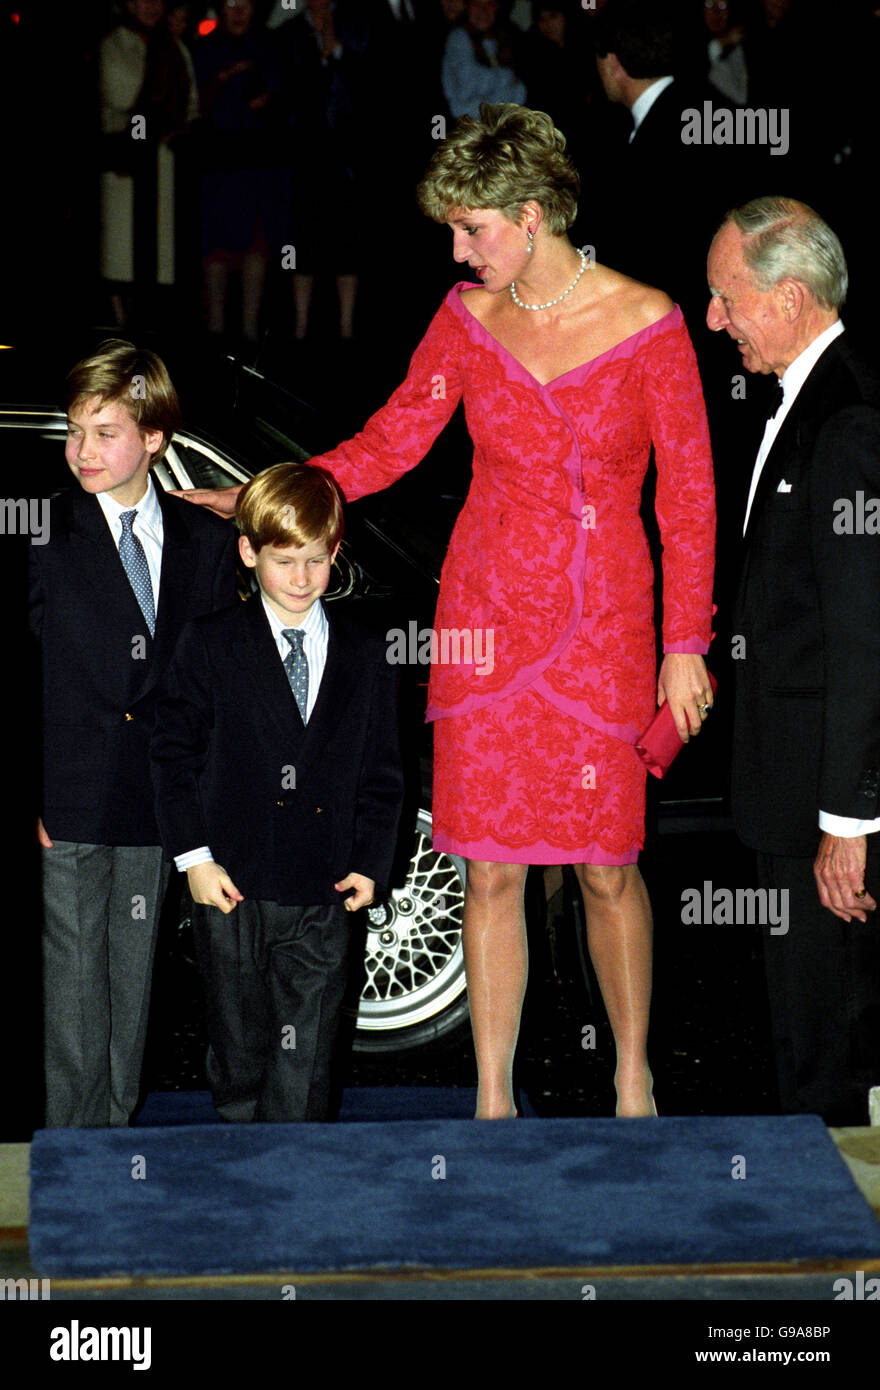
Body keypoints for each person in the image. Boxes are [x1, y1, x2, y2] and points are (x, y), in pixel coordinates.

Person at [178, 103, 716, 1119]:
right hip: (485, 626)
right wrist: (276, 485)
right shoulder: (467, 320)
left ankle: (633, 1078)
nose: (458, 248)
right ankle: (490, 1098)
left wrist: (686, 644)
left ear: (529, 214)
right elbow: (391, 441)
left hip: (605, 626)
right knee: (493, 869)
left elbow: (686, 500)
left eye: (470, 228)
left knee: (607, 867)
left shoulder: (648, 323)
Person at [151, 464, 404, 1121]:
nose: (300, 579)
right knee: (239, 1049)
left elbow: (383, 769)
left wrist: (374, 864)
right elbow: (171, 755)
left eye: (316, 561)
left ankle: (295, 1181)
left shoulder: (365, 650)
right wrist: (194, 860)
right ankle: (246, 1165)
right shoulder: (211, 644)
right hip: (232, 883)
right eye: (284, 560)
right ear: (248, 552)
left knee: (309, 1054)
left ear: (336, 554)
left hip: (325, 887)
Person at [31, 342, 237, 1127]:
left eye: (105, 432)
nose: (82, 451)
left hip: (161, 801)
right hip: (72, 796)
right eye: (74, 430)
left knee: (132, 979)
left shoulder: (206, 543)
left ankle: (114, 1139)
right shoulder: (42, 530)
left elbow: (212, 683)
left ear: (154, 438)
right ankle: (77, 1150)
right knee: (75, 986)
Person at [706, 197, 880, 1126]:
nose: (714, 317)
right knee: (801, 1029)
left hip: (829, 800)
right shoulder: (799, 398)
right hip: (795, 786)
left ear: (791, 297)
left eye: (727, 297)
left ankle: (843, 1243)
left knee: (829, 1040)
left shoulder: (846, 415)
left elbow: (864, 633)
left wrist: (849, 821)